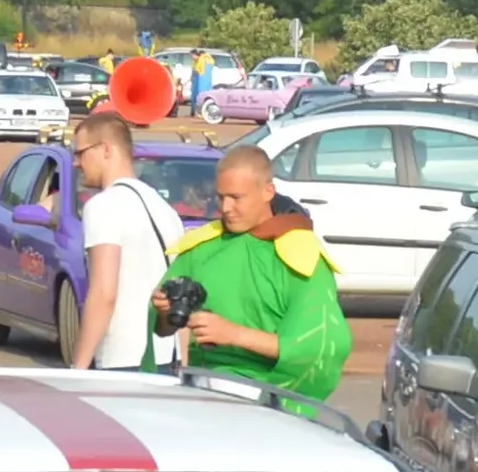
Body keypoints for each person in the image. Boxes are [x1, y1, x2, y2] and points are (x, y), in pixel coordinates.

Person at [156, 144, 350, 403]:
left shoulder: (299, 255)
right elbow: (163, 329)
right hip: (199, 392)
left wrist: (233, 335)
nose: (225, 208)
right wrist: (165, 313)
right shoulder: (202, 246)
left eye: (236, 197)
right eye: (220, 196)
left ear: (268, 191)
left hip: (268, 401)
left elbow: (321, 348)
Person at [66, 112, 182, 372]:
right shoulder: (165, 209)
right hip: (166, 357)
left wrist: (79, 367)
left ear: (106, 149)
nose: (76, 163)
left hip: (124, 360)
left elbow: (104, 293)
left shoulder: (103, 207)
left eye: (80, 153)